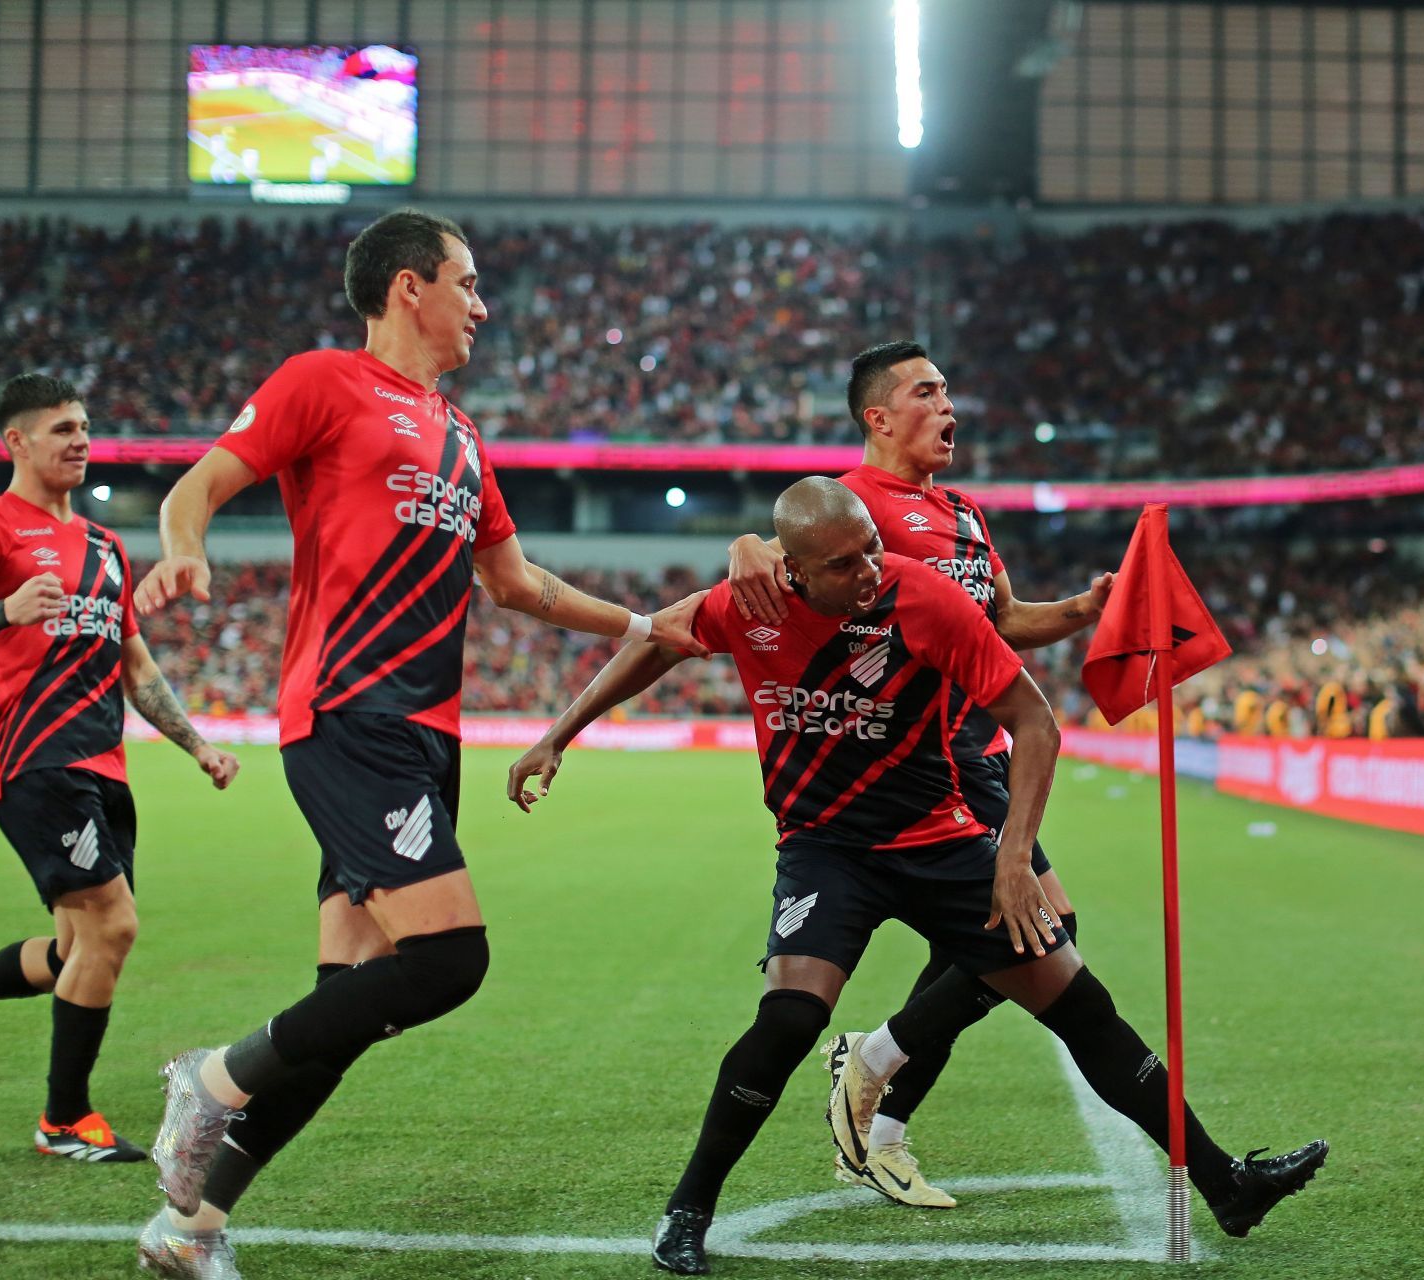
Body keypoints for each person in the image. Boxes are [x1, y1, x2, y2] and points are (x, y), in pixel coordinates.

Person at [507, 478, 1328, 1276]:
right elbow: (657, 640)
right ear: (792, 570)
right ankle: (688, 1211)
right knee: (789, 1019)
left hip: (939, 844)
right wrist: (559, 734)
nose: (868, 572)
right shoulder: (748, 605)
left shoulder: (926, 599)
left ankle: (1227, 1185)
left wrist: (1013, 860)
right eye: (843, 565)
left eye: (871, 550)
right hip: (826, 850)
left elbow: (1035, 724)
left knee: (1083, 1007)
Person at [128, 209, 706, 1280]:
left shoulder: (462, 434)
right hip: (350, 715)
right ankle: (209, 1076)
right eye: (469, 282)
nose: (482, 305)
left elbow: (518, 582)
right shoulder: (320, 382)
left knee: (342, 1011)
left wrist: (634, 625)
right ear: (408, 287)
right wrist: (185, 552)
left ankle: (189, 1226)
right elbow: (198, 484)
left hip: (424, 738)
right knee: (450, 959)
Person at [721, 342, 1114, 1206]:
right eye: (929, 392)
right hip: (931, 756)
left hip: (989, 751)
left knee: (1015, 936)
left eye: (949, 389)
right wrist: (743, 541)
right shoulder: (856, 509)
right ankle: (878, 1084)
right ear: (878, 415)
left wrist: (1082, 611)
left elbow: (1002, 621)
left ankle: (877, 1091)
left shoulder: (966, 513)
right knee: (1036, 932)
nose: (950, 408)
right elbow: (782, 560)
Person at [0, 374, 240, 1165]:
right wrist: (0, 615)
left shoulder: (105, 547)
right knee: (113, 927)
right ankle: (63, 1119)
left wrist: (195, 744)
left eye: (84, 426)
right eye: (60, 429)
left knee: (69, 953)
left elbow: (134, 663)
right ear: (15, 441)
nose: (80, 440)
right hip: (36, 761)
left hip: (104, 769)